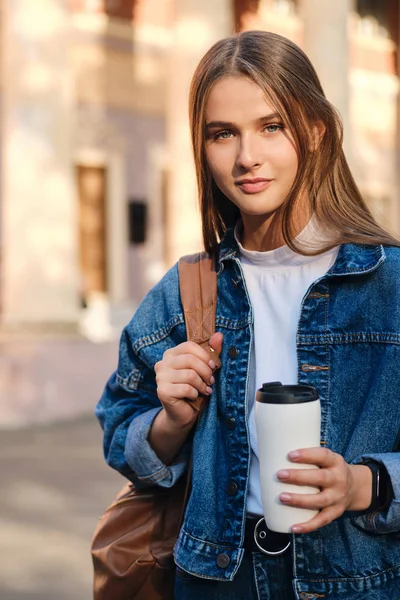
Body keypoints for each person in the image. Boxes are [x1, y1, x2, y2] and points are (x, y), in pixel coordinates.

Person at [95, 30, 400, 599]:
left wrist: (363, 484)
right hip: (215, 580)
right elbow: (121, 431)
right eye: (222, 134)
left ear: (315, 131)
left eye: (271, 126)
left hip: (360, 581)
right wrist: (171, 424)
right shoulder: (186, 291)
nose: (246, 157)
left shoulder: (389, 286)